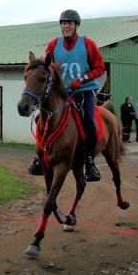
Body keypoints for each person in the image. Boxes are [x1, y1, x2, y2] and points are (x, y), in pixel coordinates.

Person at [28, 9, 107, 182]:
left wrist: (83, 79)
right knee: (39, 118)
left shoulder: (88, 44)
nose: (66, 26)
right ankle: (39, 157)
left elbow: (100, 68)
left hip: (85, 90)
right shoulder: (54, 44)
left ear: (76, 25)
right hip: (63, 92)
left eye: (70, 23)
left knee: (88, 120)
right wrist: (39, 62)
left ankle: (89, 161)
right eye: (64, 23)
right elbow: (45, 61)